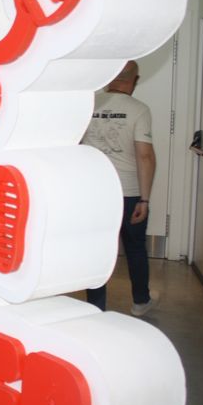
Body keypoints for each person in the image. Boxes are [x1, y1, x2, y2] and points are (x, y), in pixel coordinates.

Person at [82, 60, 158, 315]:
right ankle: (140, 302)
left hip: (95, 191)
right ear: (135, 81)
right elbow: (145, 156)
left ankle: (95, 307)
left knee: (96, 249)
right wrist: (144, 200)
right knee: (135, 247)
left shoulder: (89, 104)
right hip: (128, 193)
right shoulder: (139, 110)